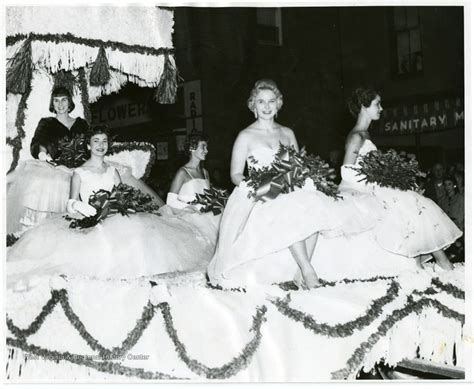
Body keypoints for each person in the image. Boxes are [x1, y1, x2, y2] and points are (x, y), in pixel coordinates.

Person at [207, 79, 375, 290]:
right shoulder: (245, 136)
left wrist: (303, 177)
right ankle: (308, 270)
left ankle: (300, 271)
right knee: (286, 208)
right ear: (253, 105)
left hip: (289, 186)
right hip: (260, 191)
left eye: (271, 101)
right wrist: (261, 186)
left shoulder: (287, 133)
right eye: (261, 102)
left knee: (316, 205)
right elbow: (235, 174)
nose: (266, 107)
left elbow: (297, 165)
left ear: (278, 104)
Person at [7, 127, 220, 289]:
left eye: (104, 141)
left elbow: (123, 194)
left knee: (139, 231)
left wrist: (127, 203)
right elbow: (70, 203)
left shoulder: (113, 171)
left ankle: (141, 281)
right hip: (93, 220)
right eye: (96, 141)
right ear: (89, 146)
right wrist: (81, 206)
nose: (101, 145)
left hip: (116, 216)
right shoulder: (79, 172)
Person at [339, 87, 462, 270]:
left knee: (417, 203)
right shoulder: (356, 136)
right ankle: (439, 262)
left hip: (377, 186)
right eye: (377, 104)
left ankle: (430, 262)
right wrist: (376, 184)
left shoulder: (365, 134)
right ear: (364, 107)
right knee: (412, 203)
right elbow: (347, 170)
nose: (381, 108)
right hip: (366, 190)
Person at [7, 86, 89, 235]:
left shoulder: (81, 123)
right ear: (52, 103)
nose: (60, 104)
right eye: (56, 101)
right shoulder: (46, 123)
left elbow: (90, 145)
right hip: (57, 170)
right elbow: (38, 143)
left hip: (81, 170)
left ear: (70, 102)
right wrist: (42, 154)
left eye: (64, 100)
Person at [164, 133, 210, 212]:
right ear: (192, 148)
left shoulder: (205, 173)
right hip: (186, 217)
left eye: (207, 147)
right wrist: (193, 208)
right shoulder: (183, 173)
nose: (206, 151)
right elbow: (170, 202)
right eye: (203, 147)